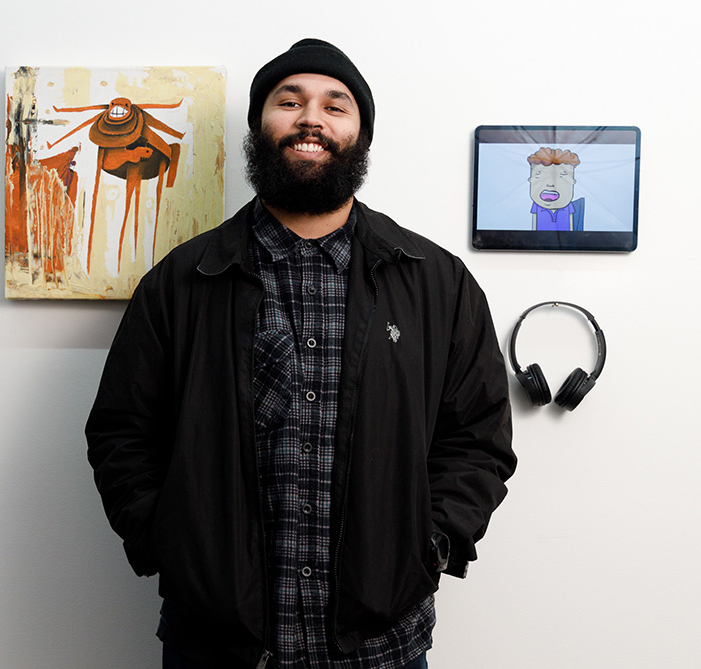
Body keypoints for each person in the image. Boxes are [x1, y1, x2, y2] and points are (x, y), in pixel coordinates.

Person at [86, 38, 516, 669]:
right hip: (218, 646)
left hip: (382, 647)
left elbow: (476, 437)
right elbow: (123, 431)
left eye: (336, 105)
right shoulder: (182, 282)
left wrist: (429, 544)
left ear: (360, 135)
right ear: (262, 126)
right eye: (290, 101)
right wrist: (169, 541)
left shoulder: (435, 283)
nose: (311, 118)